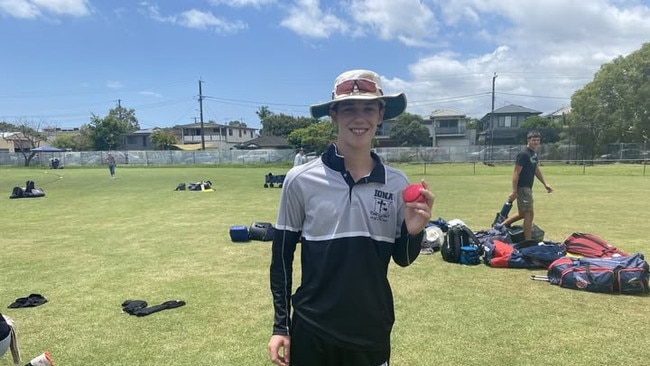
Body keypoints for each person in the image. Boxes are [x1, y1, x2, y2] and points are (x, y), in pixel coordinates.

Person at [268, 69, 434, 366]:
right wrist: (281, 325)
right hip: (311, 329)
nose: (359, 118)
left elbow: (403, 259)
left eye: (369, 107)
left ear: (381, 114)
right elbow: (281, 257)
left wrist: (414, 232)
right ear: (334, 115)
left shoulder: (397, 183)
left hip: (371, 331)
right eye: (349, 108)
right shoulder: (300, 179)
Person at [499, 130, 553, 240]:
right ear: (528, 140)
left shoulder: (533, 154)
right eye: (533, 140)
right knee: (529, 213)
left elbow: (536, 169)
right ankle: (528, 242)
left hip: (528, 187)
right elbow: (516, 173)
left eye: (538, 140)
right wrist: (514, 191)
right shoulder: (524, 154)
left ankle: (500, 227)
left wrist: (545, 183)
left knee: (522, 213)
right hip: (522, 188)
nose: (536, 142)